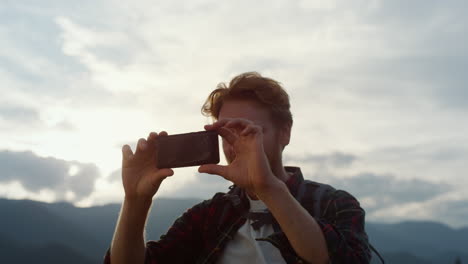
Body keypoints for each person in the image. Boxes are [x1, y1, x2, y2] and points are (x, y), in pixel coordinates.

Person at [105, 72, 372, 264]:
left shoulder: (334, 203)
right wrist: (135, 201)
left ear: (285, 133)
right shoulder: (210, 215)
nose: (237, 145)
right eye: (227, 133)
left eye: (248, 131)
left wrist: (268, 188)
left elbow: (344, 259)